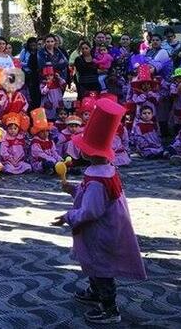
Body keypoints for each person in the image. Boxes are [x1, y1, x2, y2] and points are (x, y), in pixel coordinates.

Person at [54, 98, 146, 325]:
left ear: (88, 153)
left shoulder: (96, 178)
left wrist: (67, 217)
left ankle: (110, 309)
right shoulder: (104, 170)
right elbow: (94, 197)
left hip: (101, 231)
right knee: (95, 263)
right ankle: (95, 292)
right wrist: (73, 189)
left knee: (101, 268)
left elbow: (91, 210)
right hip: (107, 227)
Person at [19, 37, 41, 109]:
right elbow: (20, 62)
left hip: (37, 74)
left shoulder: (39, 51)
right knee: (29, 93)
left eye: (34, 45)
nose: (33, 47)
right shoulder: (24, 51)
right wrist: (27, 65)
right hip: (27, 74)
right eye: (31, 45)